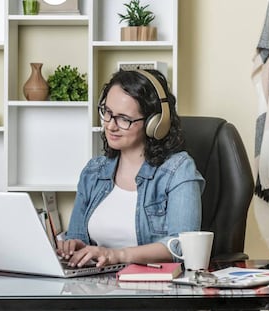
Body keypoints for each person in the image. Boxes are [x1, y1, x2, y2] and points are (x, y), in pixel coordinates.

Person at [57, 69, 205, 268]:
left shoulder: (178, 170)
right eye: (107, 113)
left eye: (124, 119)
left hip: (153, 291)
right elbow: (77, 236)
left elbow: (181, 246)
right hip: (95, 288)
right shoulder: (93, 172)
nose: (110, 126)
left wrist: (116, 255)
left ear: (155, 123)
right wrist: (74, 246)